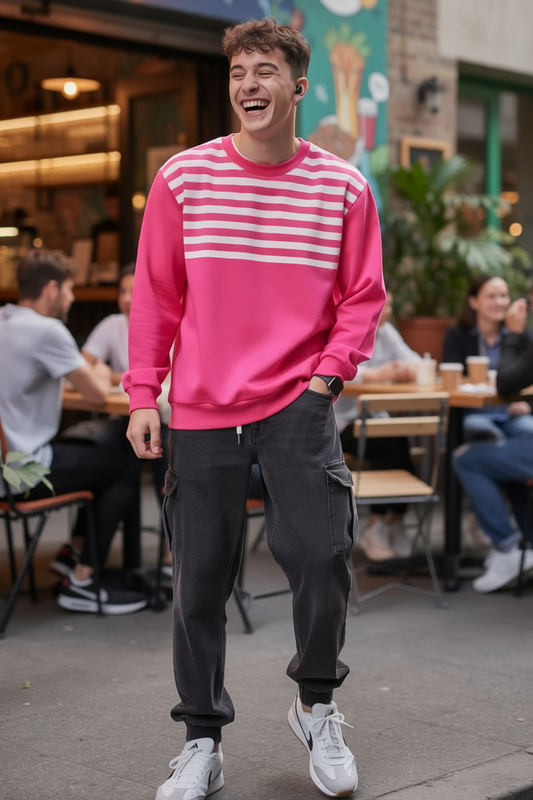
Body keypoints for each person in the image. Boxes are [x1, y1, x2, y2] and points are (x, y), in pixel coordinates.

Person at [123, 18, 385, 800]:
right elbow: (155, 298)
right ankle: (201, 739)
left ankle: (315, 704)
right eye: (239, 71)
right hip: (200, 409)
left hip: (297, 405)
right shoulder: (182, 180)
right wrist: (144, 394)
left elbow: (363, 298)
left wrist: (325, 382)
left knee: (319, 557)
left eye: (265, 70)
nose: (248, 84)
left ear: (297, 88)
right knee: (199, 580)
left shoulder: (342, 185)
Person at [0, 249, 147, 615]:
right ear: (52, 289)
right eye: (68, 289)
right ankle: (83, 578)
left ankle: (73, 553)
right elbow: (97, 395)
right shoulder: (47, 330)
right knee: (125, 461)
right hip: (23, 471)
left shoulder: (4, 320)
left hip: (6, 464)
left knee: (86, 450)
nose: (72, 297)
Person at [453, 285, 533, 593]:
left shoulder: (519, 335)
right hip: (487, 418)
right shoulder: (459, 334)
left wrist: (513, 334)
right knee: (497, 440)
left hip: (509, 419)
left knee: (466, 458)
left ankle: (508, 548)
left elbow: (506, 382)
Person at [335, 290, 421, 560]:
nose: (387, 311)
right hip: (341, 423)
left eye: (391, 306)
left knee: (395, 438)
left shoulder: (386, 332)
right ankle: (381, 523)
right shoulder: (346, 331)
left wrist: (408, 370)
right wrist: (377, 374)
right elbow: (335, 370)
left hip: (374, 419)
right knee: (391, 440)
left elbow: (416, 361)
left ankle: (389, 522)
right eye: (383, 305)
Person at [442, 274, 533, 441]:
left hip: (512, 414)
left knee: (529, 430)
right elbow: (451, 378)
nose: (499, 302)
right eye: (491, 296)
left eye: (503, 296)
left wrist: (527, 406)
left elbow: (525, 377)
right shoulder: (457, 335)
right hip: (476, 413)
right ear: (473, 301)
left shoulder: (518, 334)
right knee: (484, 432)